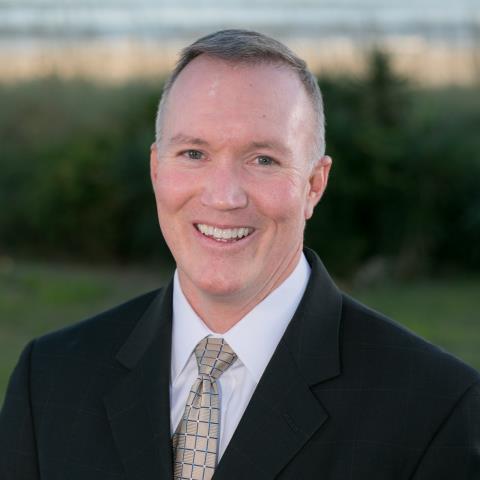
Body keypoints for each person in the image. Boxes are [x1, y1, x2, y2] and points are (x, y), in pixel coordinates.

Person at [0, 29, 479, 480]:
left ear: (314, 185)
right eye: (194, 154)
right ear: (156, 170)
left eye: (263, 160)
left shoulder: (436, 408)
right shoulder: (48, 379)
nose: (224, 196)